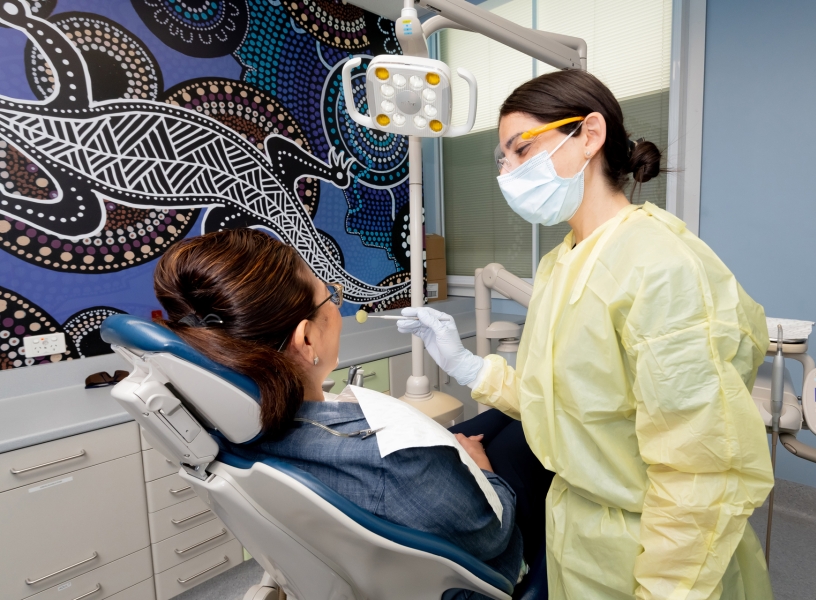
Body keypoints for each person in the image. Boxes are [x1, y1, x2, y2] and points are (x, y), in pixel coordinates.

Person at [398, 69, 775, 600]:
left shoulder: (661, 266)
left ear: (590, 135)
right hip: (577, 534)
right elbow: (555, 401)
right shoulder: (562, 263)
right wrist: (465, 365)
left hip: (660, 553)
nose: (507, 174)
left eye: (521, 150)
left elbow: (700, 471)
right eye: (502, 161)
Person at [151, 228, 553, 598]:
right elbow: (492, 535)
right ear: (306, 340)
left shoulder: (233, 434)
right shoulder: (394, 462)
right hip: (485, 557)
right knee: (534, 427)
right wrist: (482, 470)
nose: (335, 306)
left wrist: (465, 381)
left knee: (503, 416)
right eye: (329, 297)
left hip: (402, 492)